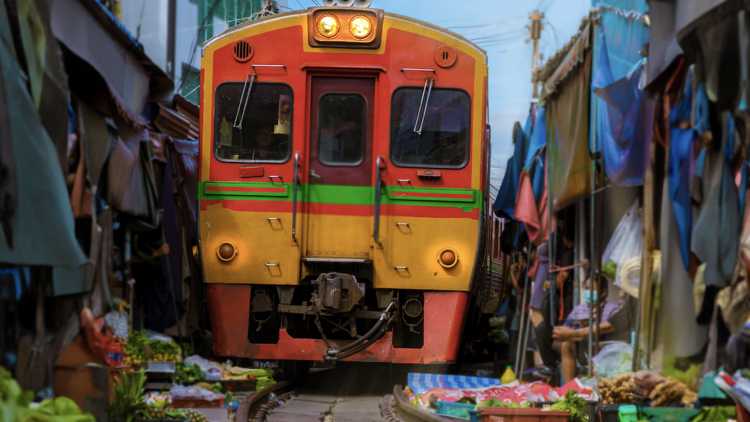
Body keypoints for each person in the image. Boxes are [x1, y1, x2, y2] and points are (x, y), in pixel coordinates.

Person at [551, 277, 620, 383]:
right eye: (587, 288)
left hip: (603, 350)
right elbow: (566, 328)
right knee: (566, 343)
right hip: (582, 350)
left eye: (593, 289)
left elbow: (609, 330)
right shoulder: (579, 309)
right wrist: (573, 330)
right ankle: (569, 387)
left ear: (603, 292)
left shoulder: (613, 309)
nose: (589, 292)